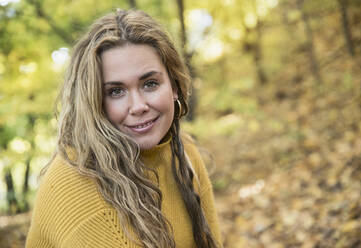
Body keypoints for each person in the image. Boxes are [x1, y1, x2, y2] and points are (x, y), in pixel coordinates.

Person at [26, 9, 222, 248]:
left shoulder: (185, 154)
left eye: (150, 83)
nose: (138, 106)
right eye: (116, 91)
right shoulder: (71, 182)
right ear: (94, 101)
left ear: (174, 86)